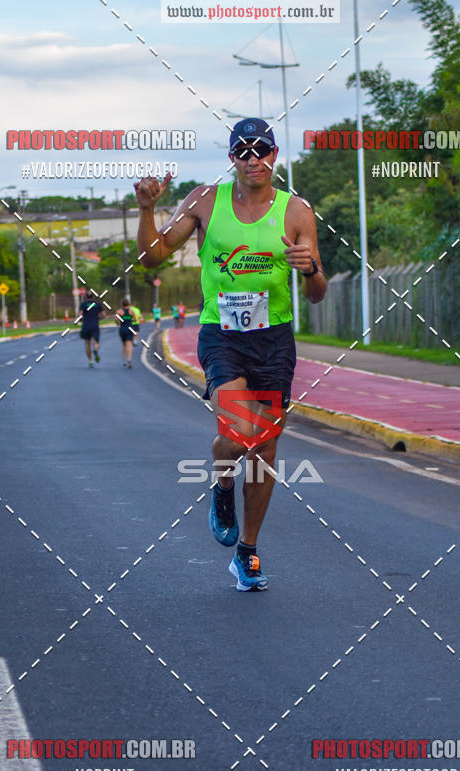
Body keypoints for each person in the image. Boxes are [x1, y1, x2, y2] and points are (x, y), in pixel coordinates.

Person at [135, 117, 326, 591]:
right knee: (241, 432)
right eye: (243, 151)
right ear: (231, 159)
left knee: (265, 446)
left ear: (275, 155)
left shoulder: (297, 212)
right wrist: (145, 211)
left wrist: (310, 269)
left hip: (274, 339)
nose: (252, 159)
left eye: (260, 150)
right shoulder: (204, 200)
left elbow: (318, 291)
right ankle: (222, 487)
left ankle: (248, 552)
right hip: (222, 335)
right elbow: (154, 256)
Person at [79, 288, 104, 367]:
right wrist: (98, 318)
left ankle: (90, 361)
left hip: (86, 325)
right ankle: (96, 350)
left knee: (87, 344)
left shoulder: (83, 304)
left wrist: (82, 319)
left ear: (86, 297)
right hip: (95, 325)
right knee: (95, 342)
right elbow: (104, 315)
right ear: (93, 296)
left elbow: (80, 315)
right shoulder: (98, 304)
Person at [115, 298, 135, 368]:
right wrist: (129, 319)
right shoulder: (131, 311)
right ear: (128, 304)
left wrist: (118, 323)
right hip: (130, 328)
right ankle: (129, 359)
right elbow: (135, 319)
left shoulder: (119, 311)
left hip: (122, 328)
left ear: (122, 304)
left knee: (124, 345)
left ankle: (124, 360)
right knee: (130, 345)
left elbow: (116, 320)